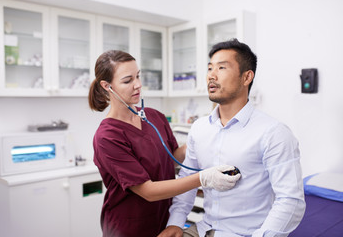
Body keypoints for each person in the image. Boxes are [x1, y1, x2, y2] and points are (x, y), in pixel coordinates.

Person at [158, 39, 306, 237]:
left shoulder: (273, 133)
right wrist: (175, 223)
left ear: (246, 77)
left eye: (221, 68)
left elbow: (290, 201)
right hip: (203, 229)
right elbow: (187, 180)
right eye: (210, 68)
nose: (211, 75)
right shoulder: (199, 129)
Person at [88, 50, 241, 237]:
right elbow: (148, 191)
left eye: (138, 76)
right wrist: (203, 178)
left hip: (164, 220)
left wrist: (196, 138)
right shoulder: (107, 137)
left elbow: (171, 158)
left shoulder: (154, 116)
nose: (138, 85)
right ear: (107, 86)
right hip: (128, 227)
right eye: (128, 81)